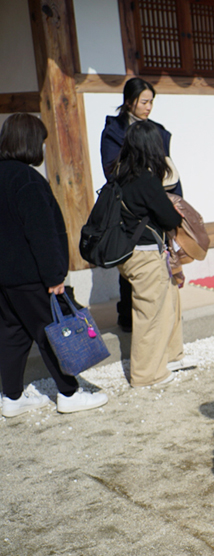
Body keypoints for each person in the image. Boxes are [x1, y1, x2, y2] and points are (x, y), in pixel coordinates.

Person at [0, 113, 108, 417]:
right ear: (31, 143)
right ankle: (69, 393)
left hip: (6, 278)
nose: (44, 149)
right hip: (31, 275)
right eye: (42, 143)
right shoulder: (27, 180)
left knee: (12, 333)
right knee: (52, 332)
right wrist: (54, 274)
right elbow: (42, 233)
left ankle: (12, 398)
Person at [113, 121, 195, 387]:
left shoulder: (121, 175)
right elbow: (169, 217)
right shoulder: (145, 179)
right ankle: (147, 375)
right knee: (150, 314)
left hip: (131, 253)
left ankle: (170, 357)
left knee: (169, 302)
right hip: (144, 256)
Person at [100, 77, 182, 333]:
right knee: (130, 257)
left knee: (162, 259)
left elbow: (168, 170)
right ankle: (128, 316)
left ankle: (160, 319)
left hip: (156, 201)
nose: (148, 107)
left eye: (151, 102)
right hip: (131, 204)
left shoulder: (157, 130)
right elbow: (112, 170)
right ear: (128, 101)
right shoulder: (114, 131)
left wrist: (176, 200)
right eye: (144, 102)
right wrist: (143, 183)